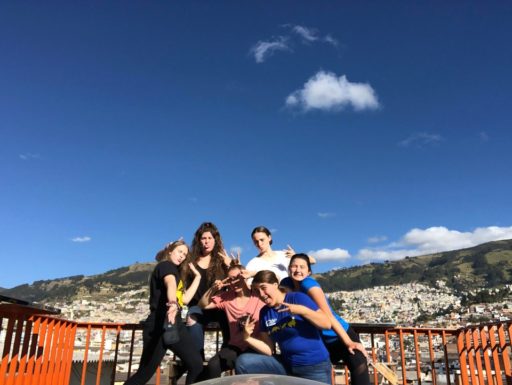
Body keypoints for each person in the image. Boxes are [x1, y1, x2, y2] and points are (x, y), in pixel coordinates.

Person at [281, 253, 370, 385]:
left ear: (309, 271)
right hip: (319, 340)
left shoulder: (309, 284)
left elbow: (328, 316)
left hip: (339, 334)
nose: (298, 270)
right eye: (294, 266)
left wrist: (348, 342)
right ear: (288, 268)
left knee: (359, 365)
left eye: (302, 267)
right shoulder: (286, 283)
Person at [124, 240, 203, 385]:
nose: (182, 256)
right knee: (144, 374)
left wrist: (198, 277)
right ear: (170, 251)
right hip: (158, 324)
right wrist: (172, 303)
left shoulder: (175, 271)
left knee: (196, 364)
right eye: (180, 252)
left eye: (185, 254)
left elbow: (185, 299)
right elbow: (170, 283)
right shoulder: (165, 266)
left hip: (175, 323)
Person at [235, 270, 333, 385]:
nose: (261, 294)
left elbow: (326, 324)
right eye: (256, 290)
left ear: (275, 285)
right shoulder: (264, 312)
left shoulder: (297, 298)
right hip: (286, 366)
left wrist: (302, 310)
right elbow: (269, 349)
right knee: (243, 362)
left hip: (314, 367)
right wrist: (247, 338)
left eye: (263, 288)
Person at [198, 262, 265, 379]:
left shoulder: (258, 294)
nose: (234, 282)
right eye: (231, 279)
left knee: (246, 369)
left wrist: (252, 274)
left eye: (238, 278)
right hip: (235, 346)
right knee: (213, 365)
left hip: (255, 346)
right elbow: (203, 305)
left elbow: (274, 281)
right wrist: (212, 289)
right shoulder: (227, 296)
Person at [181, 222, 231, 358]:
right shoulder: (190, 260)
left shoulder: (222, 261)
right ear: (199, 240)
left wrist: (231, 265)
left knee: (230, 317)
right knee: (193, 317)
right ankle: (197, 359)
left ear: (215, 240)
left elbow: (236, 281)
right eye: (204, 238)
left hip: (218, 305)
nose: (206, 241)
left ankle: (226, 354)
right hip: (198, 306)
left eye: (210, 238)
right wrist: (168, 251)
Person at [246, 226, 311, 283]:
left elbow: (313, 261)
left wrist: (296, 256)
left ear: (269, 238)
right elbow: (250, 285)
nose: (259, 244)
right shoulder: (252, 264)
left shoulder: (284, 255)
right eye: (256, 242)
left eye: (262, 240)